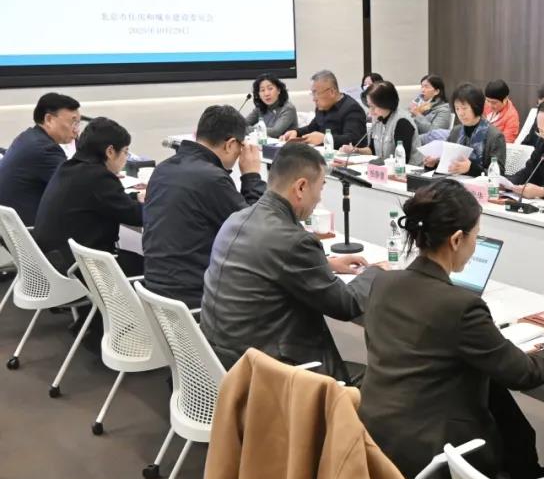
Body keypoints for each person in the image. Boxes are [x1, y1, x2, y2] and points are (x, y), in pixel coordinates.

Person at [359, 179, 544, 479]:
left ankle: (528, 476)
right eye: (476, 236)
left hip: (376, 436)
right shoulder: (461, 306)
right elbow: (524, 373)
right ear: (456, 240)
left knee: (492, 387)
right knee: (497, 392)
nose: (475, 245)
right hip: (433, 455)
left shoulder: (383, 283)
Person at [200, 143, 376, 379]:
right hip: (271, 376)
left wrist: (327, 264)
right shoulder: (293, 241)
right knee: (378, 381)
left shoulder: (236, 219)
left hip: (225, 365)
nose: (319, 199)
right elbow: (346, 304)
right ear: (301, 187)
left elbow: (269, 263)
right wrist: (375, 272)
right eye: (320, 188)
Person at [142, 105, 266, 308]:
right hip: (196, 300)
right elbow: (256, 231)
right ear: (230, 144)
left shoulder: (163, 168)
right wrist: (252, 176)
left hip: (157, 296)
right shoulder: (212, 178)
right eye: (240, 147)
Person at [33, 117, 144, 275]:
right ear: (110, 151)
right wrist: (163, 202)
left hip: (53, 263)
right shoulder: (98, 176)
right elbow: (137, 216)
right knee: (154, 267)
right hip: (80, 268)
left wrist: (135, 197)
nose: (126, 158)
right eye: (125, 152)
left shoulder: (68, 167)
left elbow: (105, 201)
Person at [0, 92, 81, 225]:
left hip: (11, 229)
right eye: (73, 123)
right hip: (29, 229)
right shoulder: (46, 150)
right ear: (49, 119)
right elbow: (76, 188)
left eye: (78, 124)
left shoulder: (27, 137)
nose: (76, 131)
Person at [423, 83, 506, 177]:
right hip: (454, 182)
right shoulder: (456, 131)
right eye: (457, 108)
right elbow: (447, 164)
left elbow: (499, 174)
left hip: (479, 185)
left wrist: (471, 169)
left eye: (464, 108)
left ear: (476, 107)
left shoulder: (495, 136)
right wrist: (434, 164)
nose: (460, 113)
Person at [280, 70, 366, 148]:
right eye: (312, 94)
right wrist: (296, 132)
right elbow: (312, 128)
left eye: (316, 93)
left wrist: (325, 139)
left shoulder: (352, 109)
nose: (314, 99)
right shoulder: (322, 107)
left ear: (332, 92)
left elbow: (354, 140)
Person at [353, 81, 421, 164]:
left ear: (386, 104)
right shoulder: (378, 118)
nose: (370, 112)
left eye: (373, 107)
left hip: (409, 170)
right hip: (384, 168)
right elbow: (372, 150)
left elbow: (402, 160)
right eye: (369, 106)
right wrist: (356, 150)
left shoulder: (402, 122)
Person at [245, 73, 298, 138]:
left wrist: (246, 129)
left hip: (286, 143)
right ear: (258, 94)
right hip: (266, 143)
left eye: (270, 88)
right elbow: (242, 124)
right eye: (262, 90)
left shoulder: (288, 108)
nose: (266, 94)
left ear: (278, 90)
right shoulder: (260, 108)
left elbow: (275, 132)